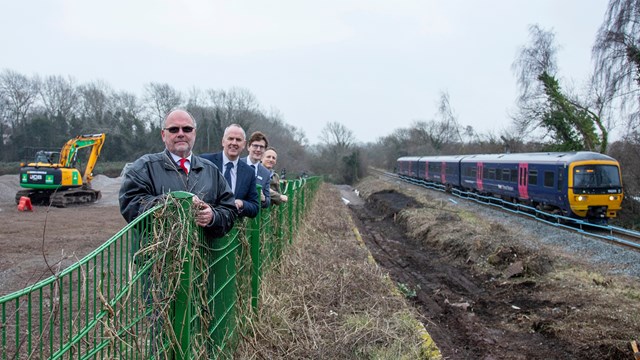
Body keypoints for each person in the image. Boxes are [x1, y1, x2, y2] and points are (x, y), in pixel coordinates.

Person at [119, 109, 237, 239]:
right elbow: (131, 204)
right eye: (174, 129)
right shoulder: (144, 167)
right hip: (158, 256)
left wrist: (213, 217)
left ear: (194, 134)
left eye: (187, 129)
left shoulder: (211, 171)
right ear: (163, 135)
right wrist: (175, 203)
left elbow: (230, 210)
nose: (181, 134)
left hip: (203, 256)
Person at [201, 124, 260, 218]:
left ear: (244, 144)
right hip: (205, 226)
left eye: (238, 140)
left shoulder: (249, 172)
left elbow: (255, 207)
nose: (234, 143)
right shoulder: (205, 162)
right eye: (230, 138)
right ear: (223, 141)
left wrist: (241, 203)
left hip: (233, 228)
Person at [243, 131, 271, 208]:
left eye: (261, 147)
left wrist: (263, 199)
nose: (258, 150)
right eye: (255, 146)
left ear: (265, 150)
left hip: (255, 217)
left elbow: (268, 202)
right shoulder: (237, 164)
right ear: (248, 147)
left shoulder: (266, 173)